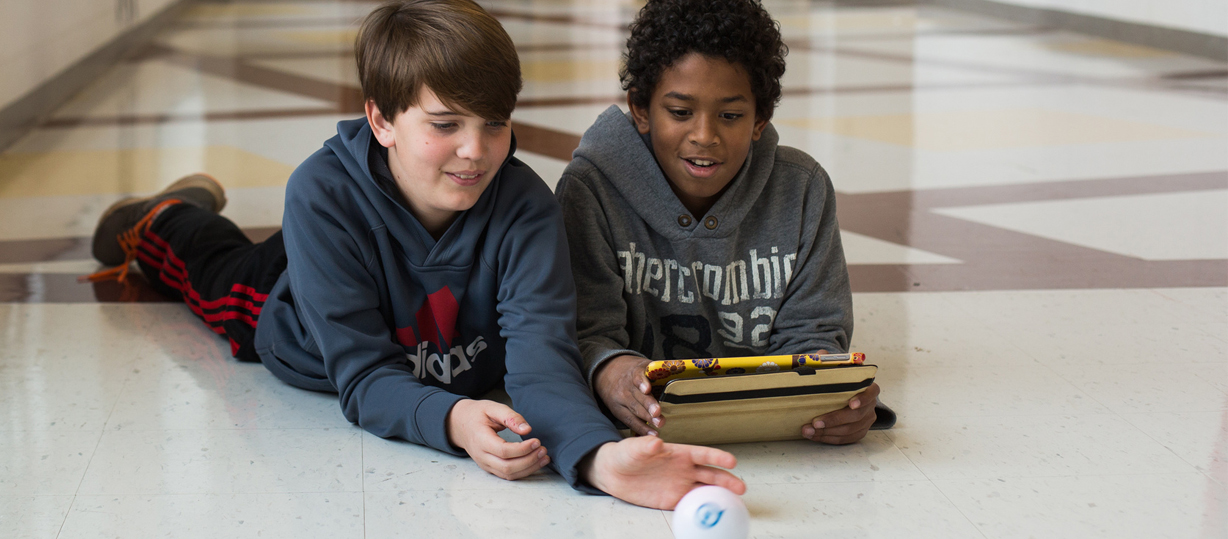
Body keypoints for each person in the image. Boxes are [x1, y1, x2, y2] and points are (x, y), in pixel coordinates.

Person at [85, 0, 744, 510]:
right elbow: (366, 377)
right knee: (214, 273)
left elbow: (543, 364)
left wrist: (598, 458)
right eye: (445, 123)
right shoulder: (319, 195)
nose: (476, 150)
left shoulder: (523, 206)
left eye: (494, 122)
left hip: (399, 282)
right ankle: (162, 217)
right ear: (381, 120)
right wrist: (453, 418)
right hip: (293, 307)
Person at [556, 0, 892, 444]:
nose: (704, 135)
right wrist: (611, 371)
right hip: (642, 437)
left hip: (774, 442)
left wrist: (835, 398)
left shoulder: (803, 189)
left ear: (760, 119)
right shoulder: (590, 190)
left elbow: (814, 333)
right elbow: (586, 332)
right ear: (640, 109)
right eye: (679, 112)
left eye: (731, 115)